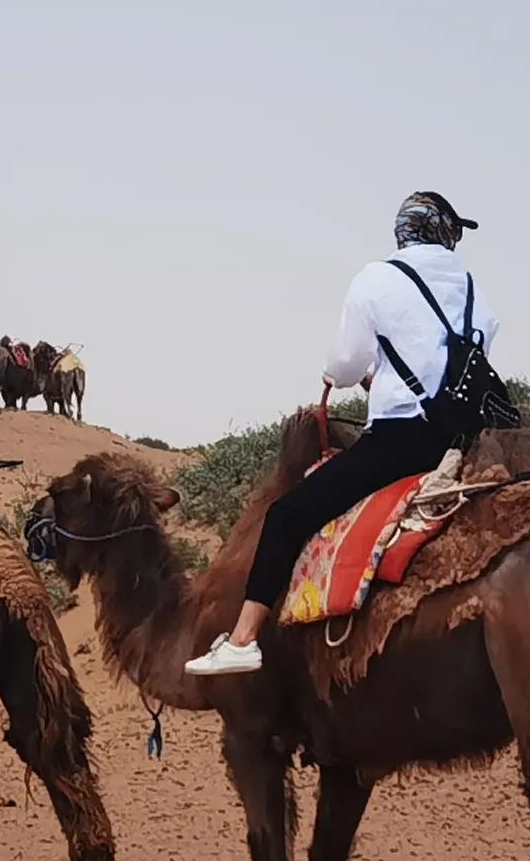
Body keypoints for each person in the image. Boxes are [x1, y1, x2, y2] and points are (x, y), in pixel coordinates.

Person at [185, 190, 497, 677]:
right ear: (444, 232)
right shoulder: (474, 289)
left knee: (287, 516)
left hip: (401, 443)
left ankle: (244, 638)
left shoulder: (377, 278)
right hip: (462, 442)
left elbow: (345, 364)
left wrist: (351, 376)